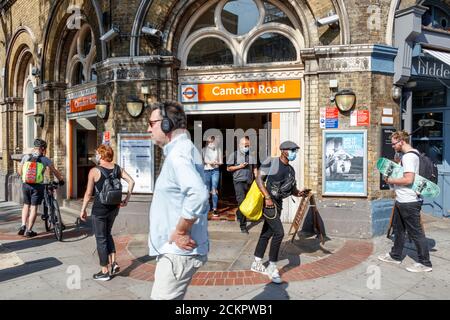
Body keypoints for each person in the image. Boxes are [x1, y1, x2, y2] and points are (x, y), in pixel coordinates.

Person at [147, 101, 209, 300]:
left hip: (177, 255)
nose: (149, 128)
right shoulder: (182, 150)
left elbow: (198, 194)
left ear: (166, 125)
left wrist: (181, 230)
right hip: (177, 254)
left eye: (152, 123)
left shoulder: (178, 154)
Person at [251, 141, 309, 283]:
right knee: (279, 233)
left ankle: (256, 262)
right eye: (293, 150)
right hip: (269, 203)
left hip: (278, 204)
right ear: (283, 150)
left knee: (267, 232)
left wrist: (299, 193)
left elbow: (292, 189)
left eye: (296, 150)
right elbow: (259, 179)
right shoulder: (271, 162)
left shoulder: (290, 170)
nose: (295, 152)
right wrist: (267, 197)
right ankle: (272, 266)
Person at [378, 130, 432, 273]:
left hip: (409, 201)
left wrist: (390, 180)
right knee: (399, 230)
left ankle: (425, 263)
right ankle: (395, 255)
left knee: (416, 233)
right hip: (402, 200)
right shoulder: (412, 154)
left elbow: (409, 179)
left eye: (394, 143)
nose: (392, 146)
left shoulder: (409, 157)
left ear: (402, 141)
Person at [80, 144, 135, 281]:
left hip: (100, 209)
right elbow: (132, 182)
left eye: (98, 153)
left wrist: (83, 209)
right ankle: (114, 262)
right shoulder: (117, 169)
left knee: (100, 238)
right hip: (114, 208)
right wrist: (126, 199)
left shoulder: (94, 171)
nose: (96, 155)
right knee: (107, 233)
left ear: (101, 155)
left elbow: (88, 193)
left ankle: (104, 271)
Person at [17, 138, 64, 237]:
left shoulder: (26, 157)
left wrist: (23, 177)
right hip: (37, 186)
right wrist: (61, 180)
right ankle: (29, 230)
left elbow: (19, 171)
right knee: (33, 207)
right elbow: (54, 171)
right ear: (43, 149)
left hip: (26, 185)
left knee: (26, 205)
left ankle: (22, 226)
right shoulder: (45, 159)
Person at [227, 136, 258, 233]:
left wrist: (257, 180)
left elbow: (255, 169)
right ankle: (243, 226)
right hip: (238, 181)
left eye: (248, 145)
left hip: (249, 182)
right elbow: (228, 168)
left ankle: (238, 213)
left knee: (247, 202)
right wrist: (239, 166)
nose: (246, 147)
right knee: (242, 202)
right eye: (245, 145)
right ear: (239, 145)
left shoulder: (252, 156)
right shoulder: (234, 155)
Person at [202, 136, 223, 217]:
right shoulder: (203, 150)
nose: (210, 143)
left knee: (214, 189)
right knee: (206, 190)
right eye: (209, 141)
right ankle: (207, 208)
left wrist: (216, 163)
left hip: (215, 171)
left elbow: (221, 162)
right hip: (206, 170)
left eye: (212, 141)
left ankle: (214, 209)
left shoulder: (218, 150)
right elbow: (202, 161)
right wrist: (209, 162)